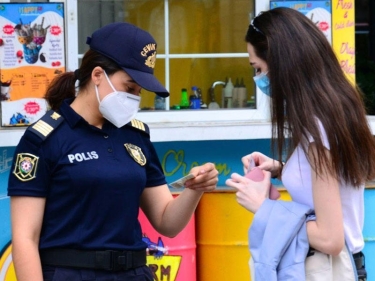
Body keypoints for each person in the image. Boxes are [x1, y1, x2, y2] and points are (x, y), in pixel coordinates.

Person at [8, 22, 218, 281]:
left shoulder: (135, 136)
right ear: (97, 75)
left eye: (139, 92)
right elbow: (25, 239)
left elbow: (167, 223)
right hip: (71, 273)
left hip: (134, 272)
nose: (134, 98)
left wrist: (194, 189)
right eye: (129, 88)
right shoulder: (45, 138)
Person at [226, 7, 375, 280]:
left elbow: (330, 239)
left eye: (258, 69)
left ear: (283, 63)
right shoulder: (334, 111)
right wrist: (282, 168)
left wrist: (265, 208)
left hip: (332, 268)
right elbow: (331, 182)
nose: (258, 79)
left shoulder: (318, 129)